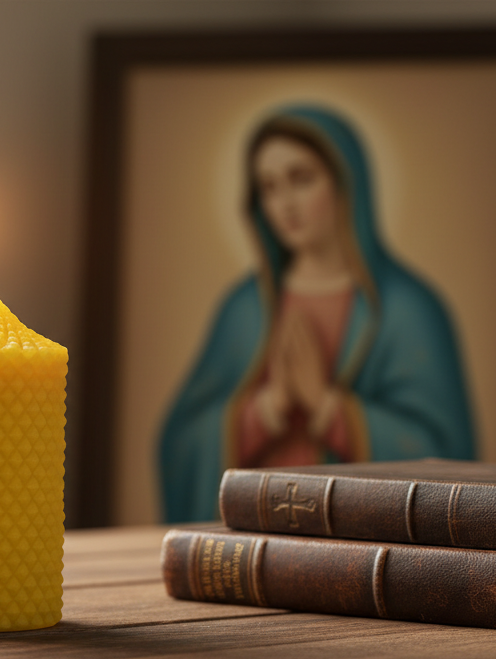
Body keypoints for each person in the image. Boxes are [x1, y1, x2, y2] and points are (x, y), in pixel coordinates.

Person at [159, 104, 477, 523]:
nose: (284, 204)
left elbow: (448, 456)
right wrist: (267, 409)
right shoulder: (244, 309)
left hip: (359, 551)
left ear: (347, 183)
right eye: (268, 188)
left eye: (301, 179)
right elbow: (181, 444)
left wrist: (328, 409)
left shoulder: (409, 309)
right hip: (251, 537)